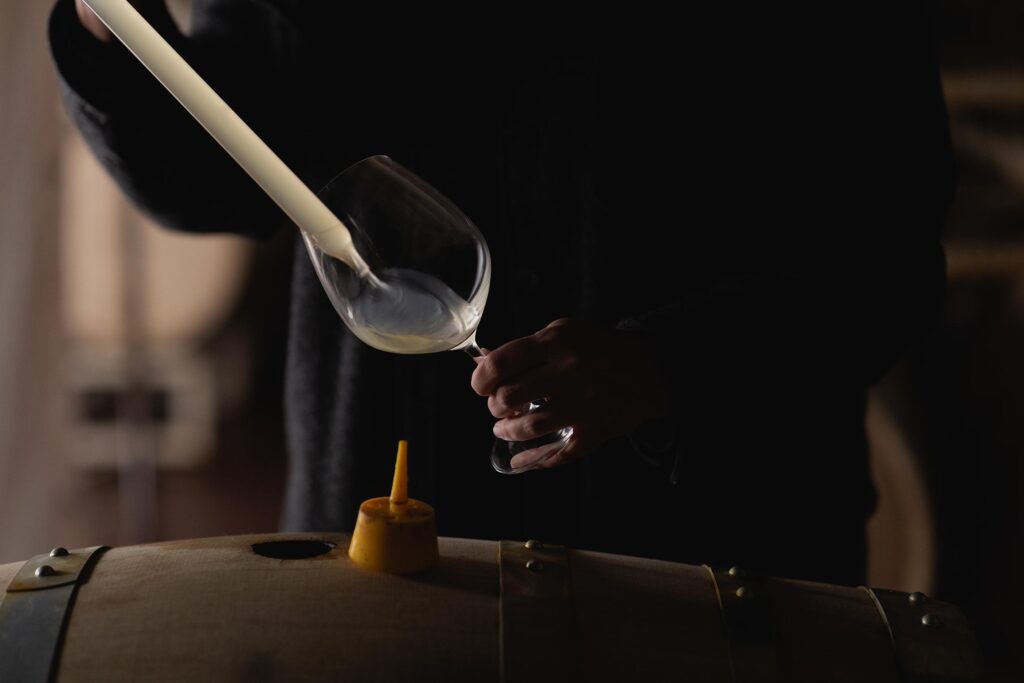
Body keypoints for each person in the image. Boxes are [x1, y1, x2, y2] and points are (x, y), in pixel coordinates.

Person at [50, 0, 954, 585]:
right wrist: (112, 32)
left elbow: (885, 253)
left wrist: (661, 364)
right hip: (390, 550)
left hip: (711, 565)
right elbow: (226, 173)